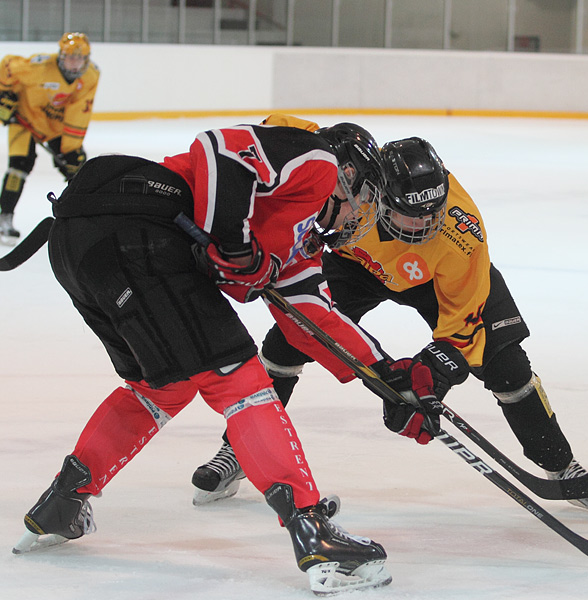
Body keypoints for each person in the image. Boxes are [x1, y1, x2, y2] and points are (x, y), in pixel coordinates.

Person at [13, 114, 442, 595]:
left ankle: (61, 504)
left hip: (82, 245)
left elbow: (312, 318)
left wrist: (385, 378)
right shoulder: (317, 161)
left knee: (161, 388)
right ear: (350, 176)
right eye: (366, 197)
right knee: (241, 382)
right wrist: (235, 247)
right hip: (138, 230)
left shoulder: (298, 241)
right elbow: (222, 148)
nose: (362, 211)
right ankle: (315, 536)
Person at [191, 121, 588, 516]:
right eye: (408, 215)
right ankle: (238, 451)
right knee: (288, 340)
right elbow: (274, 135)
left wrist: (432, 374)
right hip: (357, 263)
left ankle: (561, 466)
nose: (421, 226)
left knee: (507, 364)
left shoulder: (459, 237)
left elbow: (462, 329)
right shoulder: (353, 183)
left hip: (433, 281)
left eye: (430, 216)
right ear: (376, 188)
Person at [0, 32, 98, 244]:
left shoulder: (90, 76)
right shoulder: (40, 66)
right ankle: (4, 219)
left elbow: (79, 114)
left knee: (76, 167)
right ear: (61, 55)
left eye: (79, 58)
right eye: (70, 57)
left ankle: (81, 220)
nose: (74, 63)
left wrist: (71, 149)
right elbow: (7, 65)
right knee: (19, 166)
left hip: (55, 126)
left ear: (86, 59)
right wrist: (4, 95)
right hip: (25, 119)